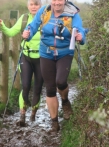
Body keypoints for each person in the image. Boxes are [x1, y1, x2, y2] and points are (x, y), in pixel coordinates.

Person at [22, 0, 86, 131]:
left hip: (65, 52)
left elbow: (80, 30)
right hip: (46, 53)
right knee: (50, 88)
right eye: (54, 0)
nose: (57, 3)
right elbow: (33, 26)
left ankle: (65, 101)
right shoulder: (44, 11)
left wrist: (81, 36)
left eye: (60, 0)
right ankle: (55, 123)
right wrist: (27, 33)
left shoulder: (73, 14)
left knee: (61, 82)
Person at [0, 0, 43, 127]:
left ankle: (33, 113)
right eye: (31, 4)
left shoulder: (46, 19)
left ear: (40, 6)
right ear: (28, 6)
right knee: (25, 86)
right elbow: (11, 32)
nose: (34, 7)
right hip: (26, 57)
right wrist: (2, 25)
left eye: (36, 4)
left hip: (42, 58)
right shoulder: (23, 19)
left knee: (38, 88)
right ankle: (22, 115)